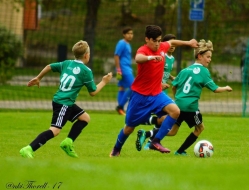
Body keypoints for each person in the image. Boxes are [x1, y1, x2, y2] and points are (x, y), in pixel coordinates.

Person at [109, 25, 198, 157]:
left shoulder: (162, 46)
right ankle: (116, 149)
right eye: (154, 41)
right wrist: (150, 58)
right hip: (140, 96)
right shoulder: (143, 50)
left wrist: (188, 43)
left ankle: (155, 141)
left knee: (175, 111)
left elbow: (172, 42)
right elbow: (138, 58)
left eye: (159, 40)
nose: (157, 44)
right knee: (129, 128)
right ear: (147, 39)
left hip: (157, 94)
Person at [19, 40, 112, 158]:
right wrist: (104, 81)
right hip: (64, 103)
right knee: (55, 130)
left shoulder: (67, 63)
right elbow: (93, 92)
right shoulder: (86, 71)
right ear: (86, 55)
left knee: (85, 118)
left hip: (63, 101)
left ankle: (68, 143)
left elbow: (49, 66)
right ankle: (29, 149)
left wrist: (38, 78)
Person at [171, 39, 232, 155]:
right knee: (200, 128)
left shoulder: (185, 70)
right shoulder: (203, 71)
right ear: (199, 56)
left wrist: (177, 99)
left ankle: (149, 134)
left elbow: (174, 87)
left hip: (178, 105)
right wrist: (226, 87)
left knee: (172, 131)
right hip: (190, 107)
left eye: (210, 57)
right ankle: (180, 151)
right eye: (208, 57)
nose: (210, 60)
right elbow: (215, 89)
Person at [136, 34, 177, 151]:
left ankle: (149, 141)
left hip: (162, 89)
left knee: (163, 117)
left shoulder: (172, 58)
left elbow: (165, 72)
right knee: (165, 117)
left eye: (174, 43)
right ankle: (147, 134)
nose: (172, 46)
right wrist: (158, 85)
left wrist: (172, 78)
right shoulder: (160, 55)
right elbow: (155, 71)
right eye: (170, 43)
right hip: (153, 90)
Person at [114, 26, 134, 115]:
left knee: (122, 87)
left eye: (131, 34)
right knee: (134, 87)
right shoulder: (121, 43)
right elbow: (116, 55)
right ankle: (121, 106)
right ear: (124, 35)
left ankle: (120, 109)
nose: (130, 35)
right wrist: (118, 69)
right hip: (123, 68)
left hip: (126, 68)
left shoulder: (128, 44)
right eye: (128, 34)